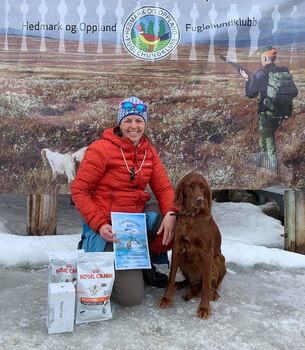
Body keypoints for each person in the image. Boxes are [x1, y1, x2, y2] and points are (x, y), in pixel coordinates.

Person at [70, 96, 176, 306]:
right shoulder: (101, 149)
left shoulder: (149, 153)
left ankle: (145, 266)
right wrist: (100, 224)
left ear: (145, 123)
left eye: (139, 120)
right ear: (120, 123)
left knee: (169, 216)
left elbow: (164, 188)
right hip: (108, 227)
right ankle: (95, 255)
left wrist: (172, 213)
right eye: (128, 121)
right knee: (131, 298)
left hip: (134, 225)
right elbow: (79, 190)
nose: (134, 126)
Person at [240, 46, 298, 172]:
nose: (261, 60)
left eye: (261, 57)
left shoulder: (261, 73)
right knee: (265, 134)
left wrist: (246, 80)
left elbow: (251, 94)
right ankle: (262, 161)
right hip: (281, 112)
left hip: (267, 112)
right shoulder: (284, 71)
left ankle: (273, 167)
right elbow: (295, 92)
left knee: (268, 137)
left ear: (265, 57)